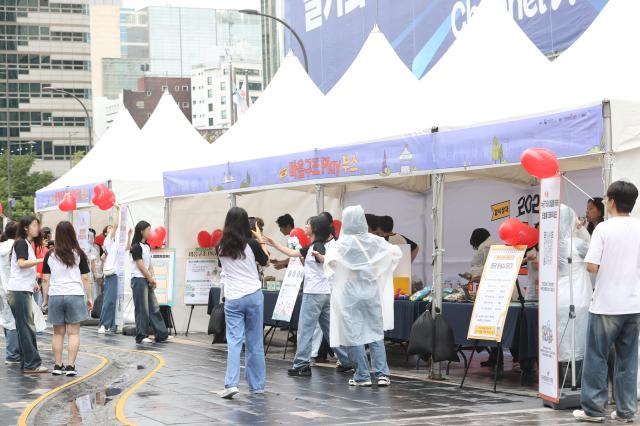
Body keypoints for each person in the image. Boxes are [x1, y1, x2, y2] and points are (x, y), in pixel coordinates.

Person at [574, 181, 640, 423]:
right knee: (628, 360)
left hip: (606, 304)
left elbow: (592, 265)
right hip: (634, 304)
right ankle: (625, 412)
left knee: (597, 357)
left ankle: (593, 409)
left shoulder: (603, 229)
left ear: (611, 201)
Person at [265, 216, 354, 377]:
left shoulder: (318, 246)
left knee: (305, 329)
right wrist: (274, 243)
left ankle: (301, 364)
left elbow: (327, 260)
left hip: (314, 293)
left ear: (315, 228)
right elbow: (292, 252)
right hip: (323, 293)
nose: (305, 226)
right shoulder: (313, 245)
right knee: (329, 330)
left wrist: (320, 257)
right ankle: (347, 361)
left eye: (308, 224)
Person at [325, 205, 401, 387]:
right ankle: (382, 374)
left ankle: (362, 374)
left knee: (353, 333)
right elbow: (395, 253)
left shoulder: (341, 243)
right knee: (375, 332)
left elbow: (330, 264)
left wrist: (348, 270)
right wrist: (377, 270)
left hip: (350, 293)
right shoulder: (375, 241)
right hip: (371, 291)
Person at [218, 207, 268, 399]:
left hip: (233, 298)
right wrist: (260, 238)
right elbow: (265, 262)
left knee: (234, 342)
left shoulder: (220, 246)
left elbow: (223, 267)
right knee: (255, 342)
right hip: (254, 295)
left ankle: (231, 384)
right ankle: (257, 386)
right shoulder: (252, 244)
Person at [41, 221, 92, 376]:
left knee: (58, 333)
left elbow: (45, 280)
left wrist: (45, 300)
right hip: (74, 294)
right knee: (73, 333)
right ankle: (70, 367)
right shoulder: (79, 253)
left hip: (56, 295)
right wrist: (90, 297)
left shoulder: (50, 255)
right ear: (72, 234)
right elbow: (85, 279)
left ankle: (57, 366)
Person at [6, 216, 47, 373]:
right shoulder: (22, 242)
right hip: (18, 291)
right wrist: (41, 260)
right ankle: (32, 364)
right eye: (35, 225)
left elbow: (22, 267)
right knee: (26, 328)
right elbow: (21, 263)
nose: (38, 228)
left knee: (25, 327)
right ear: (25, 227)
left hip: (20, 289)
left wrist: (33, 282)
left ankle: (28, 362)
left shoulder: (26, 243)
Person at [557, 205, 592, 363]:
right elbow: (596, 255)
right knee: (579, 341)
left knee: (562, 339)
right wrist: (582, 231)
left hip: (559, 297)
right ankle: (576, 378)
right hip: (578, 296)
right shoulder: (578, 243)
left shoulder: (553, 245)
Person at [130, 221, 170, 344]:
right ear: (141, 231)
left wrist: (152, 277)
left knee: (154, 307)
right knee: (142, 309)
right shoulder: (136, 246)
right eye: (148, 229)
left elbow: (149, 264)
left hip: (147, 279)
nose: (150, 232)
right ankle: (141, 336)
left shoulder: (147, 246)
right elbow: (140, 265)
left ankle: (162, 334)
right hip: (139, 279)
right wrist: (150, 278)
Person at [0, 222, 19, 365]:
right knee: (13, 322)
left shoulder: (1, 246)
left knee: (7, 320)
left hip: (2, 288)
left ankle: (11, 351)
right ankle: (12, 355)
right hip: (14, 288)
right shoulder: (17, 246)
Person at [98, 223, 118, 334]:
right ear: (106, 233)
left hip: (115, 274)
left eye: (111, 227)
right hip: (111, 274)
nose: (111, 228)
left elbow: (126, 247)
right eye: (108, 227)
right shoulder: (108, 240)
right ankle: (103, 324)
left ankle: (111, 324)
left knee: (112, 301)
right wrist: (117, 209)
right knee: (108, 300)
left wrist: (129, 236)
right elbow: (116, 226)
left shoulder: (114, 242)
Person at [33, 227, 50, 305]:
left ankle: (43, 308)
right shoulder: (34, 246)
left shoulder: (46, 250)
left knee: (45, 295)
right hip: (37, 275)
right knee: (35, 297)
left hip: (44, 276)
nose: (47, 242)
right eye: (45, 239)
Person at [87, 228, 103, 302]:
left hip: (96, 272)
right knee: (93, 292)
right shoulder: (87, 247)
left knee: (96, 291)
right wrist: (95, 274)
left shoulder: (96, 247)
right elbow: (92, 261)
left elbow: (98, 260)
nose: (92, 238)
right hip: (91, 272)